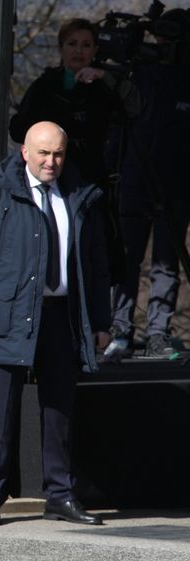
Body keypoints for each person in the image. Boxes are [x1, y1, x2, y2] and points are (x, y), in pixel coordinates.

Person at [0, 121, 112, 528]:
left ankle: (60, 495)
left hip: (61, 313)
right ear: (25, 152)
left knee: (60, 407)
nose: (52, 162)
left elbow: (96, 266)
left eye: (59, 154)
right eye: (44, 153)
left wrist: (101, 322)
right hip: (6, 314)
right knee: (0, 409)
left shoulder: (80, 196)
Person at [106, 9, 190, 359]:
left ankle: (158, 331)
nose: (162, 45)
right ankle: (119, 330)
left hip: (178, 183)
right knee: (127, 260)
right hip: (136, 179)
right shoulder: (137, 74)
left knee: (166, 264)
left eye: (170, 39)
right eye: (159, 37)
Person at [9, 19, 131, 189]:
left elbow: (133, 111)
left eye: (86, 45)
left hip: (93, 180)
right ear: (61, 48)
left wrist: (103, 76)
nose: (78, 51)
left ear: (95, 50)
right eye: (72, 44)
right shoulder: (45, 85)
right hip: (49, 177)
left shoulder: (106, 85)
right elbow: (18, 129)